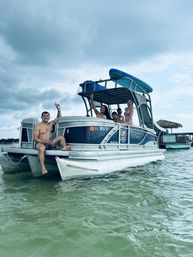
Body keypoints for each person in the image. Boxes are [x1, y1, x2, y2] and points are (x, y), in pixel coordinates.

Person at [33, 103, 71, 175]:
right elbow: (35, 138)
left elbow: (58, 118)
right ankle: (43, 168)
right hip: (40, 143)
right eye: (44, 116)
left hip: (50, 143)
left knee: (61, 137)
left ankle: (64, 147)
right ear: (41, 117)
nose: (46, 117)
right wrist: (44, 142)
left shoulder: (50, 124)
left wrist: (59, 110)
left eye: (47, 116)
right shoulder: (38, 126)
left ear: (49, 117)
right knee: (41, 147)